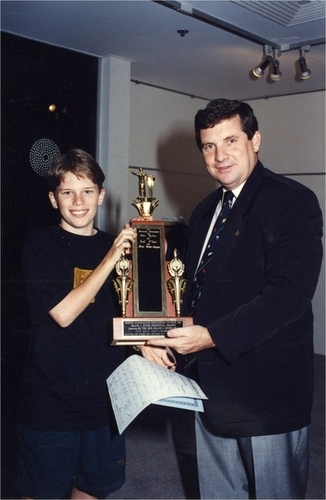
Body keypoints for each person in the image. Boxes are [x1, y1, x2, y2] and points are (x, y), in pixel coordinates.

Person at [142, 99, 323, 499]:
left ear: (255, 140)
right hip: (210, 387)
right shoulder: (207, 208)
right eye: (208, 146)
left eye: (230, 140)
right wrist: (155, 331)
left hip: (267, 393)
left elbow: (289, 296)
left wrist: (210, 337)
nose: (219, 155)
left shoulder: (292, 200)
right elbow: (192, 288)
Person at [16, 149, 137, 499]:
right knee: (42, 491)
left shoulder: (117, 246)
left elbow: (126, 318)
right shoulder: (40, 244)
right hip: (50, 401)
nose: (78, 201)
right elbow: (63, 313)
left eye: (87, 191)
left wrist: (150, 343)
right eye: (67, 192)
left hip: (107, 400)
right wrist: (111, 258)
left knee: (93, 487)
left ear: (101, 195)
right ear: (54, 199)